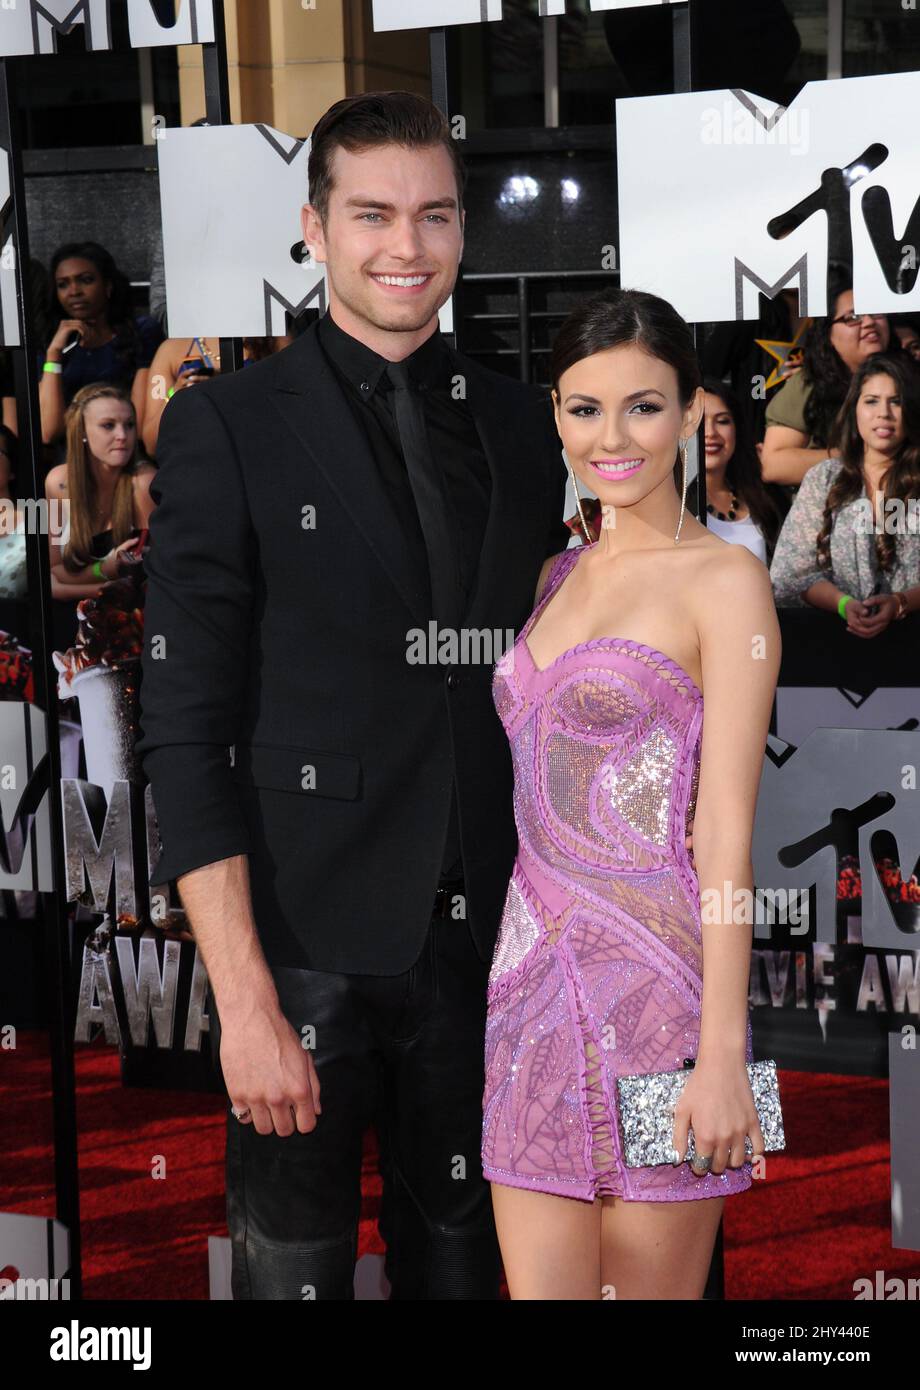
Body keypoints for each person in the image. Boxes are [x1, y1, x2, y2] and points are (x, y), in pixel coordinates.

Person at [135, 89, 569, 1301]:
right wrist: (246, 1000)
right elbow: (182, 726)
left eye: (434, 216)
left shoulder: (523, 425)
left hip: (490, 952)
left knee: (467, 1272)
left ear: (462, 231)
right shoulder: (227, 424)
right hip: (302, 948)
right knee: (295, 1279)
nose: (405, 246)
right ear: (314, 230)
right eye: (371, 214)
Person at [481, 287, 781, 1300]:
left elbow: (727, 836)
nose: (610, 437)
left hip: (661, 1002)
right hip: (523, 1000)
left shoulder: (724, 583)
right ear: (556, 415)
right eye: (582, 408)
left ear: (692, 411)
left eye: (642, 406)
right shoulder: (553, 573)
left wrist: (723, 1052)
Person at [769, 353, 920, 630]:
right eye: (871, 401)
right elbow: (791, 573)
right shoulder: (824, 478)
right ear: (854, 409)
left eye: (896, 401)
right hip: (836, 648)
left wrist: (901, 602)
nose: (883, 413)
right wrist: (843, 604)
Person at [761, 265, 895, 491]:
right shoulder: (809, 382)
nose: (869, 322)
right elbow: (774, 465)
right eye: (852, 317)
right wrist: (861, 458)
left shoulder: (909, 375)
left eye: (876, 312)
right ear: (828, 334)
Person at [44, 383, 154, 653]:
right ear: (81, 432)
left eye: (129, 425)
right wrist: (104, 571)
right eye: (108, 425)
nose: (122, 435)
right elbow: (50, 577)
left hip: (132, 626)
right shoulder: (57, 482)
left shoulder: (143, 481)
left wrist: (85, 581)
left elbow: (148, 577)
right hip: (71, 623)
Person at [39, 241, 163, 449]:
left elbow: (139, 423)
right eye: (63, 284)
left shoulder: (141, 332)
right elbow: (49, 431)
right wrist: (53, 356)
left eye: (85, 280)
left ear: (108, 286)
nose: (74, 291)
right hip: (73, 456)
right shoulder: (54, 342)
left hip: (127, 450)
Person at [141, 334, 289, 458]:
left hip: (259, 456)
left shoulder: (275, 340)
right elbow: (151, 443)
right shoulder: (173, 349)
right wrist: (176, 394)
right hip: (197, 466)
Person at [701, 378, 788, 564]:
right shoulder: (669, 502)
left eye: (723, 421)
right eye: (699, 422)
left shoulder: (765, 497)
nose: (711, 433)